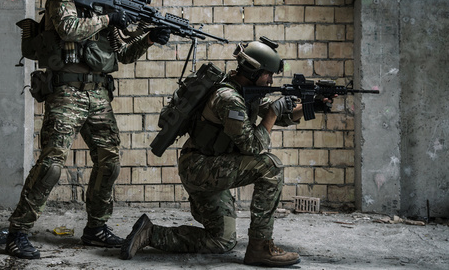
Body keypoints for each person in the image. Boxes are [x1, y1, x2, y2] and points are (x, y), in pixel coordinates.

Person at [6, 0, 170, 259]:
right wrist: (108, 17)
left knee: (110, 161)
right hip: (66, 92)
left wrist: (148, 39)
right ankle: (17, 232)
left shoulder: (106, 6)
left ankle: (96, 229)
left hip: (98, 95)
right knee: (52, 164)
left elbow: (122, 55)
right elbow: (68, 28)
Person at [120, 39, 334, 267]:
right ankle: (260, 248)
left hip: (209, 165)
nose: (271, 80)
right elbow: (253, 146)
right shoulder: (228, 99)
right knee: (270, 167)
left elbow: (279, 117)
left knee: (222, 241)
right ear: (253, 71)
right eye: (268, 75)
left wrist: (312, 106)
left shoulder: (244, 93)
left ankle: (150, 233)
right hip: (201, 168)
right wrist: (273, 110)